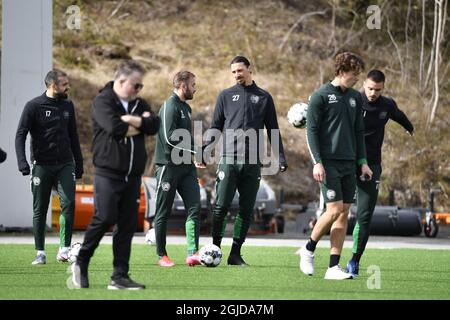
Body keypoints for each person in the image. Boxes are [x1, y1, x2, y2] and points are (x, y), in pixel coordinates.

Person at [71, 60, 160, 290]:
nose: (139, 90)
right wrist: (141, 123)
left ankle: (119, 276)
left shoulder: (139, 103)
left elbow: (155, 125)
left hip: (133, 175)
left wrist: (134, 120)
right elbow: (115, 128)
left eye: (141, 86)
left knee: (128, 224)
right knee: (106, 216)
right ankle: (82, 260)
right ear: (121, 81)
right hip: (108, 172)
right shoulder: (103, 101)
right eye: (135, 85)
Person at [205, 56, 288, 266]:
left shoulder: (264, 97)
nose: (236, 75)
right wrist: (205, 151)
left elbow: (273, 130)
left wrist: (281, 157)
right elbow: (215, 126)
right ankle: (215, 248)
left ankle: (235, 253)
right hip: (228, 160)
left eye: (240, 70)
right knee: (221, 206)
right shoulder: (225, 96)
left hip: (253, 162)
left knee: (246, 209)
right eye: (233, 72)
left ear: (250, 70)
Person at [299, 52, 373, 280]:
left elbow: (359, 132)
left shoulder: (355, 98)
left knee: (343, 213)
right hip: (328, 163)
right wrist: (317, 162)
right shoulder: (320, 96)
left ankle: (332, 267)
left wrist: (363, 162)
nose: (356, 79)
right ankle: (308, 249)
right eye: (353, 75)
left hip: (349, 162)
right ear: (341, 72)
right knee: (333, 210)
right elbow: (310, 132)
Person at [346, 69, 414, 277]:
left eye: (377, 90)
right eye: (370, 88)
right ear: (363, 84)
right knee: (336, 212)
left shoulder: (387, 105)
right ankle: (311, 248)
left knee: (364, 216)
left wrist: (409, 127)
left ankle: (354, 261)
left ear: (382, 88)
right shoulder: (351, 100)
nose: (373, 93)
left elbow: (398, 115)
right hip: (347, 161)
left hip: (372, 165)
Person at [15, 69, 83, 265]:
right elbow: (21, 134)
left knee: (69, 203)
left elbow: (74, 136)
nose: (68, 87)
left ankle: (64, 249)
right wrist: (23, 162)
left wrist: (79, 164)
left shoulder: (68, 105)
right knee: (40, 209)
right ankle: (40, 252)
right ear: (53, 85)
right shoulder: (33, 106)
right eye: (64, 84)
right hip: (41, 165)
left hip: (65, 163)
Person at [153, 70, 203, 267]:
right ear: (183, 86)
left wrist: (194, 155)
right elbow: (169, 137)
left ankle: (192, 253)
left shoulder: (186, 107)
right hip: (168, 166)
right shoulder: (169, 106)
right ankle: (161, 255)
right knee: (163, 211)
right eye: (193, 85)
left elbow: (186, 137)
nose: (195, 88)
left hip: (186, 167)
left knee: (195, 207)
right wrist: (195, 149)